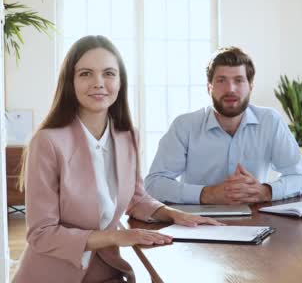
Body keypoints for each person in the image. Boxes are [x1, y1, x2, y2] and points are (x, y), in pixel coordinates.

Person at [13, 35, 223, 283]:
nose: (98, 83)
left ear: (120, 82)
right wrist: (116, 236)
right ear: (70, 82)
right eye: (85, 74)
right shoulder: (47, 142)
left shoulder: (128, 136)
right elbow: (42, 233)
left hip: (107, 271)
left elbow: (135, 197)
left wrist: (172, 214)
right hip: (51, 275)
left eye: (109, 73)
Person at [144, 46, 302, 204]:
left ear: (250, 86)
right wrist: (207, 194)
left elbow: (299, 177)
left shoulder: (270, 121)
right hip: (196, 224)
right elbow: (154, 184)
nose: (230, 89)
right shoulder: (184, 126)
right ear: (209, 87)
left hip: (256, 220)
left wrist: (265, 191)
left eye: (239, 80)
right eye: (221, 80)